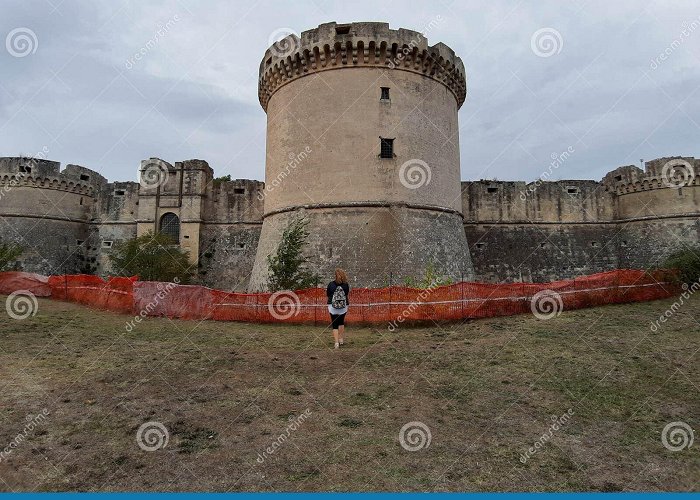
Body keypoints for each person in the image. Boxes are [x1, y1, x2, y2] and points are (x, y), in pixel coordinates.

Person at [327, 268, 350, 349]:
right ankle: (341, 339)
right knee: (341, 322)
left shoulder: (331, 284)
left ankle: (336, 343)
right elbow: (346, 293)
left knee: (335, 324)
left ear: (335, 276)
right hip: (344, 306)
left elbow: (328, 294)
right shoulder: (346, 284)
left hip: (332, 306)